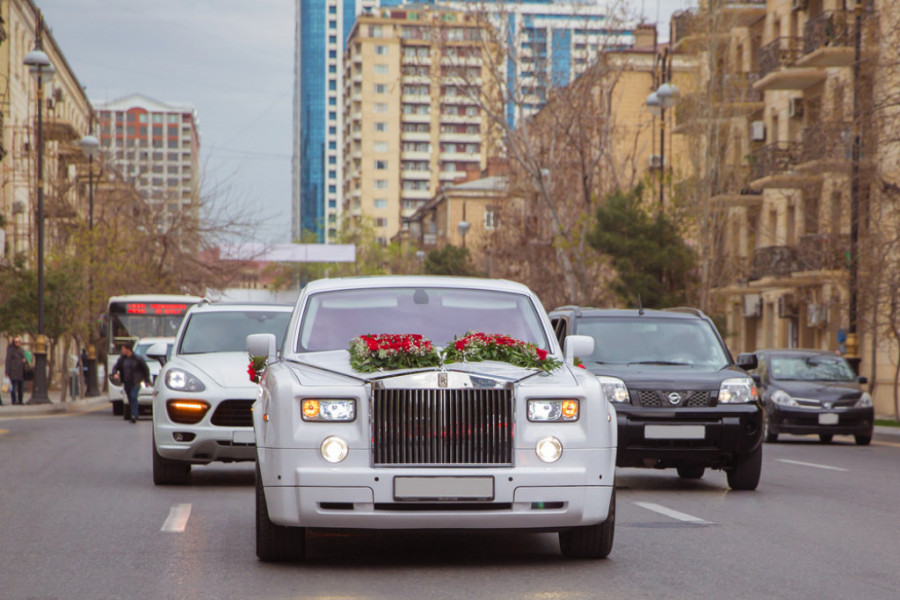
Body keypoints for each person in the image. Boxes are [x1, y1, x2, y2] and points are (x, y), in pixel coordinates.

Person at [111, 342, 150, 423]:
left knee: (133, 396)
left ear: (128, 349)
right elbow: (116, 367)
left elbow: (145, 369)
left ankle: (134, 415)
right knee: (130, 398)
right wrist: (115, 373)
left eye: (123, 349)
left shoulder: (137, 358)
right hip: (126, 382)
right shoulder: (122, 359)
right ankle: (132, 413)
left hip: (135, 382)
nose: (122, 351)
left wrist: (147, 380)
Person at [5, 337, 27, 405]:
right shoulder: (11, 350)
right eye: (16, 342)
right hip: (13, 371)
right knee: (13, 388)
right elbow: (7, 361)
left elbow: (25, 358)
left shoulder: (21, 350)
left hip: (21, 371)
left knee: (21, 388)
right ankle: (14, 400)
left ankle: (20, 400)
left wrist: (24, 360)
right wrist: (7, 372)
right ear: (13, 343)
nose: (18, 343)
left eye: (19, 342)